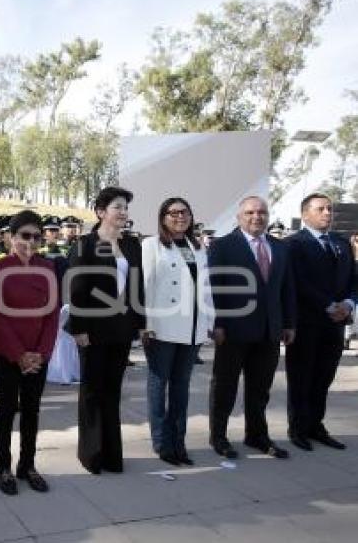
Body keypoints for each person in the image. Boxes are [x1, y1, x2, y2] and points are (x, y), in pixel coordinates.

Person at [208, 196, 296, 460]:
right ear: (239, 217)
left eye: (262, 212)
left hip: (270, 331)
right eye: (250, 212)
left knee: (260, 389)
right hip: (233, 331)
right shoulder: (223, 246)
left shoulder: (280, 248)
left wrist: (289, 323)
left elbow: (287, 288)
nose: (256, 217)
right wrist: (218, 324)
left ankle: (257, 435)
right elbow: (215, 288)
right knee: (225, 386)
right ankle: (219, 437)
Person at [65, 186, 145, 474]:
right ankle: (91, 453)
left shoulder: (131, 245)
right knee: (91, 390)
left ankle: (112, 455)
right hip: (92, 328)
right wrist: (78, 328)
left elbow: (138, 286)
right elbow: (76, 289)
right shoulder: (85, 244)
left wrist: (140, 322)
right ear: (100, 212)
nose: (123, 212)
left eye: (125, 207)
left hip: (121, 329)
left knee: (113, 390)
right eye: (117, 207)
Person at [0, 210, 59, 495]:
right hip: (6, 353)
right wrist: (20, 355)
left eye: (36, 236)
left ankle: (27, 465)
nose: (30, 241)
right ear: (10, 238)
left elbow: (52, 316)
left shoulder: (48, 267)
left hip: (38, 355)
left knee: (32, 410)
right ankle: (3, 466)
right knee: (6, 410)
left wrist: (40, 353)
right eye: (24, 235)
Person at [141, 197, 214, 466]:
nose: (179, 217)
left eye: (184, 212)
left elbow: (205, 288)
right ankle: (162, 442)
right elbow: (145, 285)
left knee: (181, 388)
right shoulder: (151, 245)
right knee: (158, 386)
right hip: (162, 327)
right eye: (173, 213)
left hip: (193, 328)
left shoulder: (197, 246)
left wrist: (210, 321)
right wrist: (145, 324)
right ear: (163, 218)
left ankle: (179, 441)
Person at [284, 193, 356, 451]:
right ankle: (298, 428)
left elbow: (353, 279)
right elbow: (298, 282)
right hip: (306, 323)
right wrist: (328, 305)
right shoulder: (293, 244)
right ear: (305, 214)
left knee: (324, 377)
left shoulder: (342, 242)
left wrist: (348, 303)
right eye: (321, 209)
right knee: (301, 378)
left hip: (335, 325)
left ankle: (316, 425)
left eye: (329, 209)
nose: (328, 213)